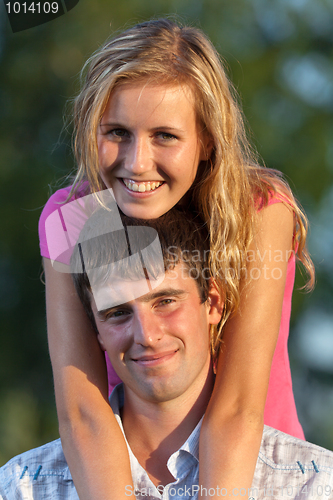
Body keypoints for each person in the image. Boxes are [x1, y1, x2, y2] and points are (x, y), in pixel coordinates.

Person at [38, 18, 315, 500]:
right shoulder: (71, 219)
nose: (137, 161)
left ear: (206, 138)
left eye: (165, 135)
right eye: (117, 132)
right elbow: (82, 408)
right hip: (120, 472)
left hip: (257, 474)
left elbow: (237, 408)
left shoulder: (261, 210)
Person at [1, 209, 332, 500]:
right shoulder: (23, 488)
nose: (146, 335)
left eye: (165, 301)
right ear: (96, 332)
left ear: (213, 304)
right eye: (118, 313)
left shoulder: (310, 485)